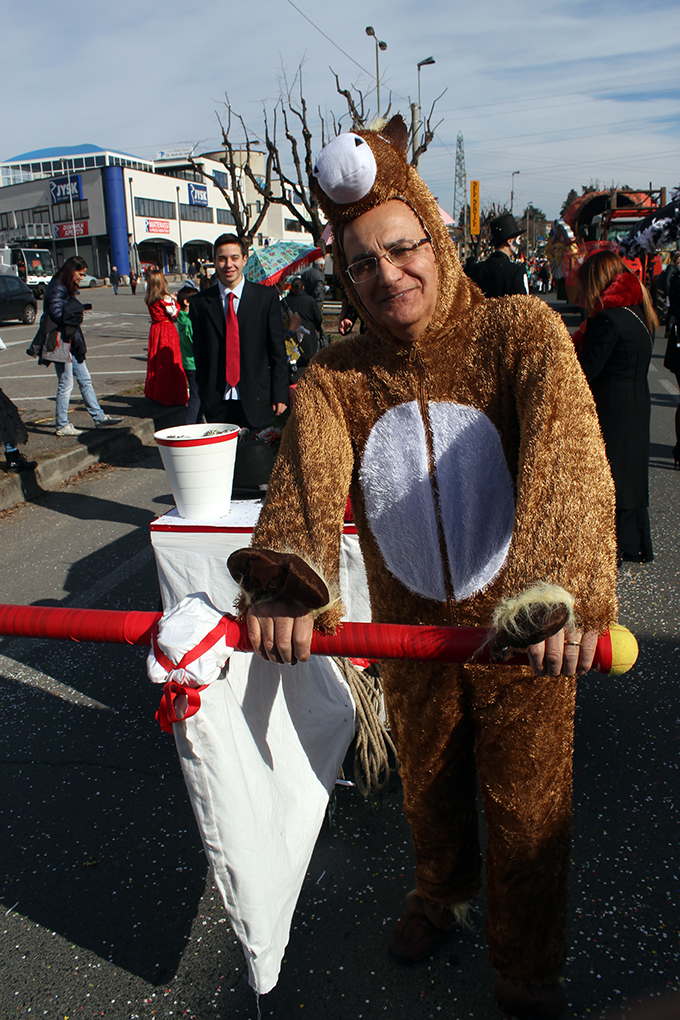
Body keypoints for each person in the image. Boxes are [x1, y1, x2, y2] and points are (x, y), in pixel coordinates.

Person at [227, 118, 618, 1020]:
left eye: (401, 248)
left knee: (527, 807)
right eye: (361, 263)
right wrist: (286, 578)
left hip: (522, 625)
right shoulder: (335, 375)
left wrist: (557, 589)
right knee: (430, 779)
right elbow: (308, 480)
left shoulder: (517, 331)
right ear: (345, 276)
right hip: (412, 624)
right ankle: (439, 894)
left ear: (434, 238)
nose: (386, 275)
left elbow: (570, 451)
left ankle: (526, 964)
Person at [576, 250, 657, 562]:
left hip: (611, 406)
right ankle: (632, 541)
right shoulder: (637, 312)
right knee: (630, 473)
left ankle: (611, 546)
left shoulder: (607, 319)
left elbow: (587, 368)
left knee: (610, 477)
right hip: (636, 402)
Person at [189, 233, 289, 429]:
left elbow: (277, 351)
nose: (229, 264)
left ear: (244, 259)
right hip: (218, 401)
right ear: (215, 262)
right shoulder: (200, 303)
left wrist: (280, 394)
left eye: (234, 258)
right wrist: (204, 394)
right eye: (222, 258)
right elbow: (200, 355)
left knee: (257, 458)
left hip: (259, 399)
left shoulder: (265, 298)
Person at [37, 256, 123, 436]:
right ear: (71, 271)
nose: (82, 278)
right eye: (80, 274)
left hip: (70, 339)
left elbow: (61, 311)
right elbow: (57, 313)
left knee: (85, 379)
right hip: (61, 340)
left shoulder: (61, 286)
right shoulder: (57, 287)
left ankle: (98, 417)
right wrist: (76, 311)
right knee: (66, 383)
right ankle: (62, 424)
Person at [143, 271, 188, 407]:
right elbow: (175, 314)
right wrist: (176, 302)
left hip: (155, 329)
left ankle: (155, 393)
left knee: (155, 361)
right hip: (167, 330)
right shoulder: (165, 298)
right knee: (171, 361)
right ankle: (173, 396)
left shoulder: (150, 298)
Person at [466, 213, 529, 297]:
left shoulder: (474, 270)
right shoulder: (516, 272)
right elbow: (524, 306)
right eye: (518, 239)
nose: (519, 243)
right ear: (509, 241)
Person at [176, 281, 201, 424]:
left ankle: (196, 423)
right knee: (196, 396)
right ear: (187, 302)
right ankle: (191, 424)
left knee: (197, 395)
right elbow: (194, 342)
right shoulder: (188, 322)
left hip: (188, 362)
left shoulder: (181, 318)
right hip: (194, 363)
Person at [283, 277, 323, 365]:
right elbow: (318, 319)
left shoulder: (284, 302)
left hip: (291, 340)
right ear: (303, 287)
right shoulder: (310, 300)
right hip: (309, 338)